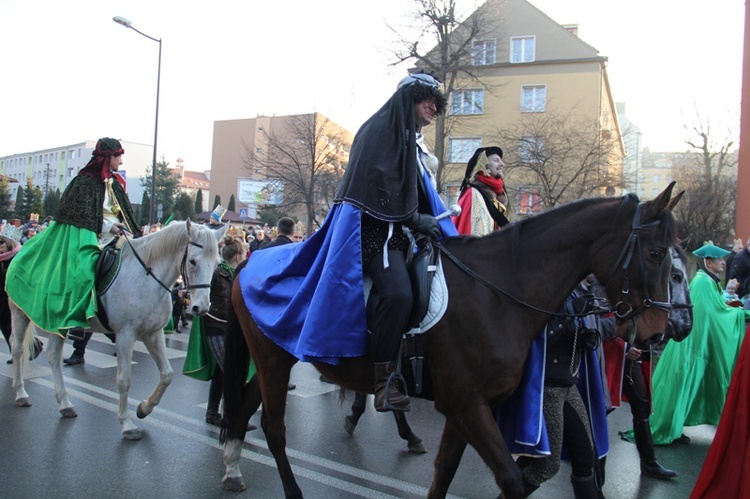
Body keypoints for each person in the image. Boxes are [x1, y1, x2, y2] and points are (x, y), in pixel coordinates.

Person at [239, 73, 457, 414]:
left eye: (436, 103)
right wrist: (416, 219)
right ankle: (384, 381)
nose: (433, 107)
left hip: (403, 234)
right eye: (426, 99)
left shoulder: (412, 142)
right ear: (407, 99)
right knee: (399, 294)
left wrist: (431, 222)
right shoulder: (378, 132)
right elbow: (376, 191)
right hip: (375, 236)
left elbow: (415, 193)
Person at [5, 137, 143, 339]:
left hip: (119, 237)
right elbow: (79, 214)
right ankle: (76, 318)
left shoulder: (114, 184)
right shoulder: (84, 182)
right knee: (85, 269)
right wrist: (108, 227)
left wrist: (132, 232)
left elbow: (125, 214)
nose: (121, 162)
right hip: (93, 237)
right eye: (118, 156)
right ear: (107, 157)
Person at [645, 242, 750, 445]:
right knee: (682, 386)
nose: (723, 263)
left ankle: (675, 427)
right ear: (709, 263)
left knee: (686, 387)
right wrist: (742, 313)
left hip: (695, 346)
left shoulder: (709, 281)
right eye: (719, 260)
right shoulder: (703, 282)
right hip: (691, 348)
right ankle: (668, 428)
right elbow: (711, 314)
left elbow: (714, 309)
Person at [516, 288, 604, 498]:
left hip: (569, 386)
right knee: (546, 465)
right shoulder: (547, 287)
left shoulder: (576, 292)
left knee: (585, 457)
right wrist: (570, 314)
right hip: (547, 389)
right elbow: (534, 336)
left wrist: (584, 338)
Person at [203, 235, 246, 426]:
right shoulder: (216, 273)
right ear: (237, 257)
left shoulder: (239, 275)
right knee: (231, 371)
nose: (245, 257)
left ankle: (212, 414)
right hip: (215, 327)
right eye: (244, 254)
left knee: (222, 373)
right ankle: (233, 416)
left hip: (229, 328)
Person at [0, 225, 43, 364]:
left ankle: (33, 346)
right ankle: (21, 350)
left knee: (11, 326)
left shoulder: (18, 257)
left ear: (9, 243)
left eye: (1, 243)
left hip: (15, 297)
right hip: (3, 296)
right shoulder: (1, 257)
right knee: (7, 326)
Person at [452, 146, 509, 235]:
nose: (502, 164)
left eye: (501, 160)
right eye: (496, 160)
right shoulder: (473, 193)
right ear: (484, 164)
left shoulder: (501, 194)